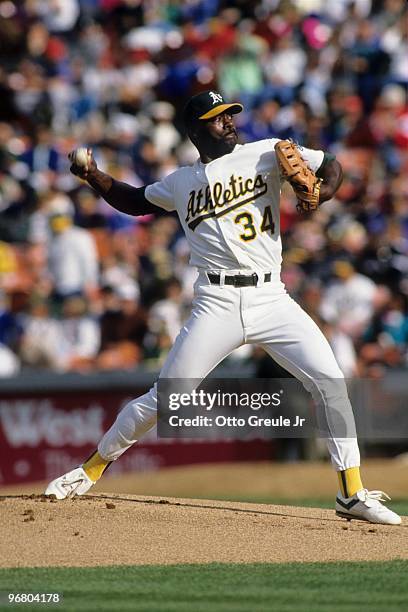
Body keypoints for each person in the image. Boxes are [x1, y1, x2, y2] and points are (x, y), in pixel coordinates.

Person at [45, 90, 401, 525]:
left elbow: (332, 166)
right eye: (218, 119)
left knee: (330, 382)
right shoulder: (180, 182)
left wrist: (322, 194)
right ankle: (89, 469)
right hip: (216, 301)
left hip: (273, 298)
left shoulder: (267, 152)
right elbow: (135, 200)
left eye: (230, 115)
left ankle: (351, 493)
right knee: (168, 398)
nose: (229, 122)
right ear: (196, 130)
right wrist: (93, 175)